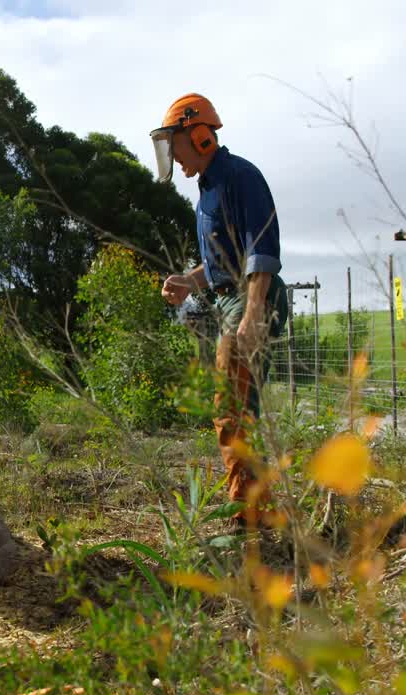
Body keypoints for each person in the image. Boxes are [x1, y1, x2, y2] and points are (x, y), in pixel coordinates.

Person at [151, 93, 290, 526]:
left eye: (174, 143)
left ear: (200, 136)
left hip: (254, 299)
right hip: (231, 298)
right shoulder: (207, 191)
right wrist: (188, 281)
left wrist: (252, 315)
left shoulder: (239, 177)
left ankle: (248, 514)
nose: (172, 155)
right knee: (239, 407)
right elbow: (219, 265)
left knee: (232, 406)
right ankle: (256, 508)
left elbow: (260, 250)